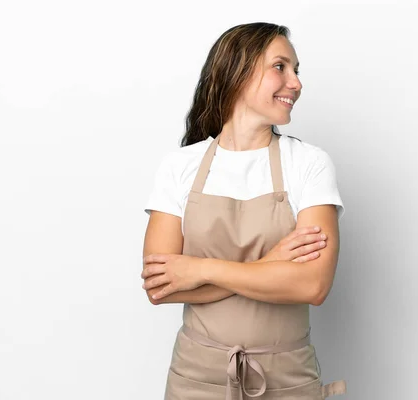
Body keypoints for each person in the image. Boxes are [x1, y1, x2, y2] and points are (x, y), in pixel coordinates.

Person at [141, 22, 347, 399]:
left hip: (288, 379)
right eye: (280, 67)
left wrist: (199, 269)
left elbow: (312, 285)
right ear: (237, 70)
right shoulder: (180, 166)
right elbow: (160, 286)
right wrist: (271, 265)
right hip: (195, 380)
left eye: (296, 70)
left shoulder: (309, 164)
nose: (296, 83)